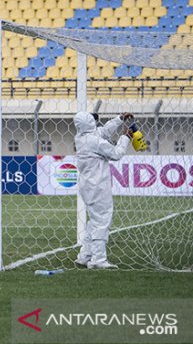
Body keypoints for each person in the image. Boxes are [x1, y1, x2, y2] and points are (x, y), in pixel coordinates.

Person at [73, 111, 134, 269]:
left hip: (87, 186)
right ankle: (98, 259)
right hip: (98, 186)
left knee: (94, 220)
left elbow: (104, 131)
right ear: (90, 123)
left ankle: (85, 255)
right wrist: (126, 137)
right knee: (102, 221)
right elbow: (116, 154)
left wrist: (119, 119)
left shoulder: (81, 137)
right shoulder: (95, 142)